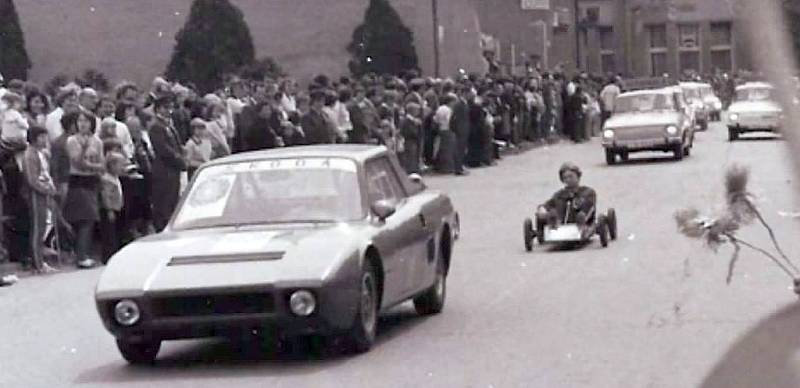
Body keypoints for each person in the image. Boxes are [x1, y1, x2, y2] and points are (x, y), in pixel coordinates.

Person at [64, 110, 105, 268]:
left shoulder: (97, 141)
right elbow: (77, 163)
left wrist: (92, 167)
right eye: (80, 121)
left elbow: (102, 164)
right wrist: (85, 151)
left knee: (91, 218)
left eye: (86, 121)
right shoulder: (72, 141)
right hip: (78, 181)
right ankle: (81, 255)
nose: (82, 124)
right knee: (84, 219)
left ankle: (83, 253)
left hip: (92, 181)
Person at [22, 126, 58, 274]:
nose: (45, 140)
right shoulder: (30, 154)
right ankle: (38, 263)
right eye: (42, 137)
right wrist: (46, 189)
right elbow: (32, 179)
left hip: (44, 192)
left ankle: (41, 260)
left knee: (43, 226)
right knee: (38, 228)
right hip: (35, 194)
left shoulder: (41, 153)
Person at [149, 95, 186, 231]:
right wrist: (179, 159)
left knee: (173, 202)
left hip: (173, 171)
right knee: (164, 204)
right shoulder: (156, 127)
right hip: (164, 171)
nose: (169, 111)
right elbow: (163, 149)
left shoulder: (169, 126)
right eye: (165, 107)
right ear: (158, 109)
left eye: (170, 107)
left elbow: (176, 145)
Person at [536, 162, 597, 237]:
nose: (568, 180)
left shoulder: (587, 191)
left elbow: (590, 206)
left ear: (578, 176)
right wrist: (542, 209)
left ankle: (583, 227)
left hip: (581, 220)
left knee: (583, 207)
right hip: (560, 223)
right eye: (565, 178)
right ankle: (554, 225)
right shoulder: (559, 194)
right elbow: (548, 204)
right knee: (551, 210)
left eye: (571, 177)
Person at [99, 152, 126, 264]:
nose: (122, 168)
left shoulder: (116, 178)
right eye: (120, 165)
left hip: (117, 208)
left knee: (116, 233)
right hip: (110, 210)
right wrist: (109, 209)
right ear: (112, 165)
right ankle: (108, 256)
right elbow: (106, 196)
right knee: (109, 234)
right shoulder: (107, 179)